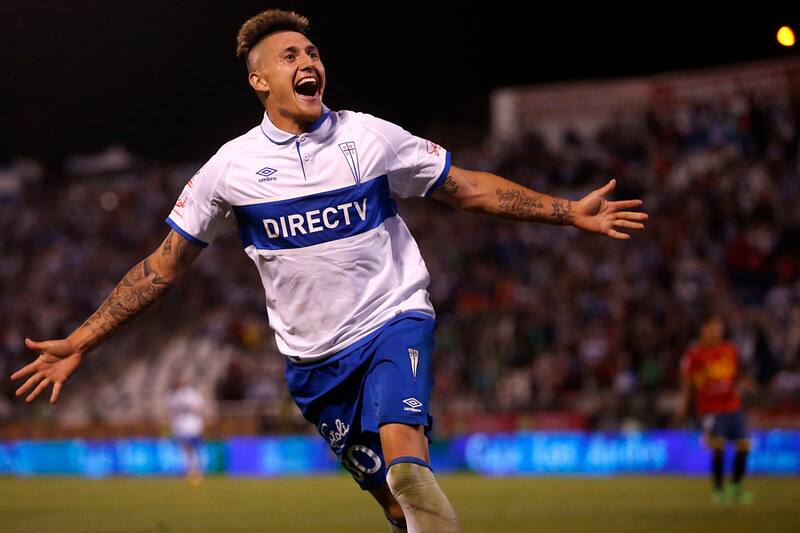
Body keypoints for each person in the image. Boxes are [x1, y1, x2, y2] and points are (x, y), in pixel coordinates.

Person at [11, 9, 647, 532]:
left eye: (311, 51)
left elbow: (466, 187)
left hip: (393, 318)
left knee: (406, 461)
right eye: (289, 56)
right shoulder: (228, 170)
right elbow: (162, 268)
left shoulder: (368, 137)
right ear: (259, 81)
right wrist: (81, 342)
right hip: (314, 367)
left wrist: (568, 212)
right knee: (401, 510)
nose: (307, 61)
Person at [678, 315, 753, 504]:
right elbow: (687, 381)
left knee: (744, 445)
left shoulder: (730, 350)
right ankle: (719, 490)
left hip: (732, 405)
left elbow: (737, 376)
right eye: (712, 328)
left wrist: (745, 384)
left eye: (718, 328)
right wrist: (684, 404)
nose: (716, 332)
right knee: (718, 446)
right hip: (710, 408)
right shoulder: (695, 354)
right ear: (703, 330)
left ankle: (736, 487)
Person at [168, 378, 206, 485]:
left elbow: (199, 409)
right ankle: (190, 470)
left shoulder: (192, 395)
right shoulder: (175, 396)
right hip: (183, 426)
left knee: (192, 448)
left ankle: (196, 470)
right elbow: (173, 413)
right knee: (187, 448)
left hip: (192, 426)